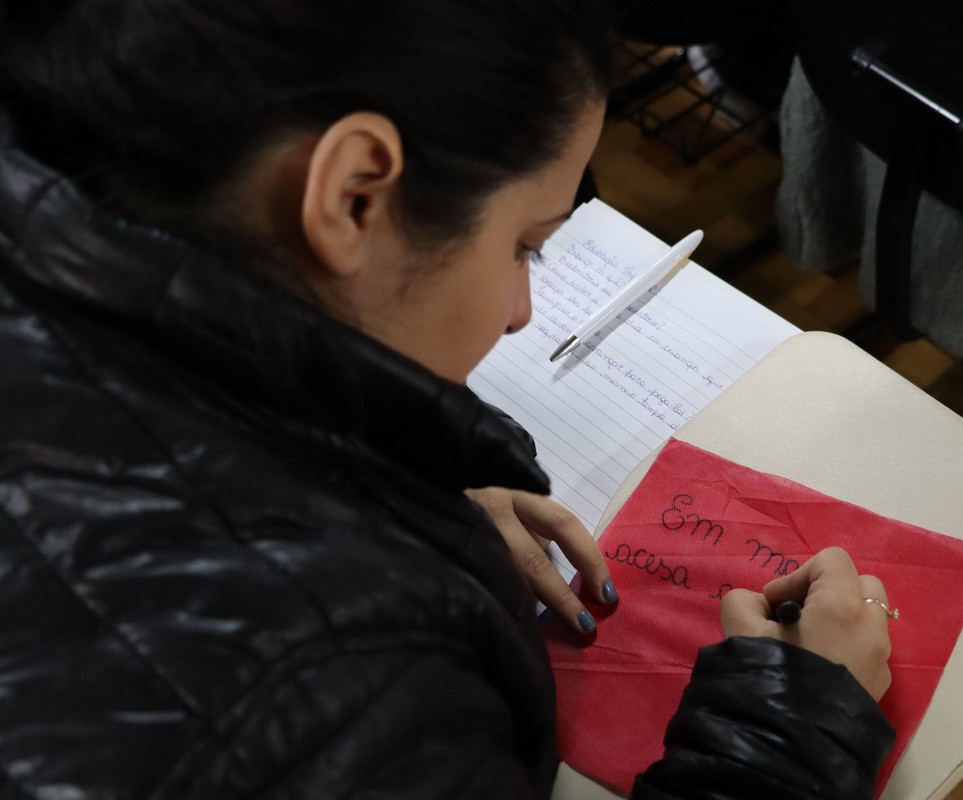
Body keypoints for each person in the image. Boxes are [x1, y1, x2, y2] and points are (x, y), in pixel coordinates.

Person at [0, 1, 895, 798]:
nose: (521, 311)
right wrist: (788, 731)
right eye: (525, 246)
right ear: (354, 196)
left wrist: (387, 475)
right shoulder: (335, 697)